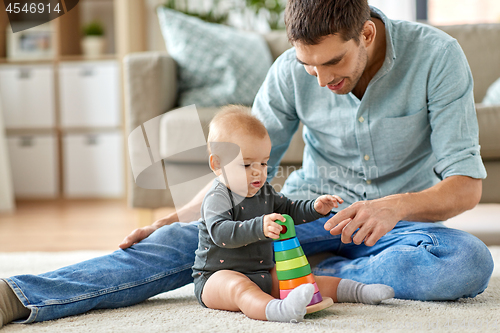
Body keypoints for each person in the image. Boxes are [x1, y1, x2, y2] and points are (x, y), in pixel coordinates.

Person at [0, 0, 494, 327]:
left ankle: (307, 269)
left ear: (365, 33)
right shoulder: (289, 71)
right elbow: (239, 167)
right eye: (309, 66)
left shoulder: (436, 58)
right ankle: (20, 295)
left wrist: (391, 207)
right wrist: (179, 215)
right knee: (193, 238)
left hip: (394, 227)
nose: (320, 80)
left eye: (333, 64)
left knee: (465, 262)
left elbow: (465, 187)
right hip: (298, 216)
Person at [193, 106, 394, 322]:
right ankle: (279, 311)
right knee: (239, 288)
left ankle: (359, 291)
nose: (257, 171)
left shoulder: (264, 191)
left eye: (263, 163)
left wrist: (314, 207)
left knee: (305, 280)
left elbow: (288, 209)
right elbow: (220, 233)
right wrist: (260, 226)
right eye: (246, 164)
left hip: (261, 273)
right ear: (217, 164)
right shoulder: (218, 197)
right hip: (216, 279)